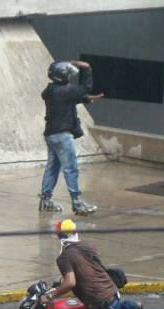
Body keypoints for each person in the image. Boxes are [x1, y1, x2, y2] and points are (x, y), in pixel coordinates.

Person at [38, 60, 104, 216]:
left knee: (53, 167)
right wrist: (86, 67)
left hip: (51, 135)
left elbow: (70, 99)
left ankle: (45, 201)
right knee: (71, 168)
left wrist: (85, 98)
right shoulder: (67, 91)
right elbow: (85, 88)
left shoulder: (50, 90)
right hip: (62, 136)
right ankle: (77, 203)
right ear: (62, 76)